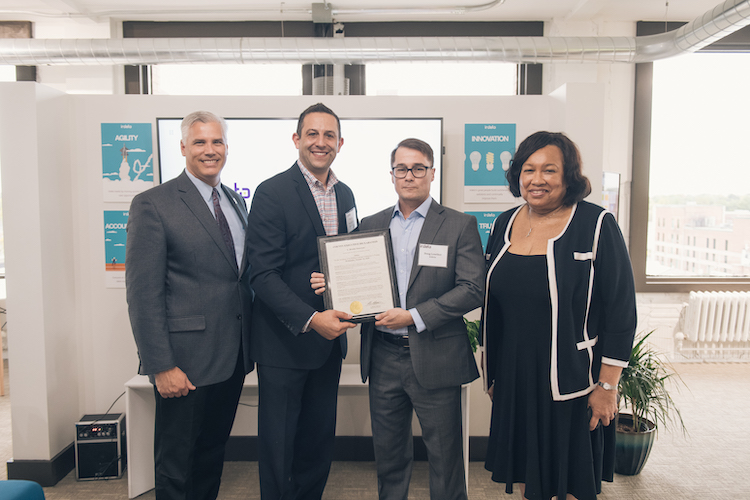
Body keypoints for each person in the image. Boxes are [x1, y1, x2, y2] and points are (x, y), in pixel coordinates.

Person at [313, 138, 485, 500]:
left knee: (445, 457)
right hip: (385, 358)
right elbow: (355, 281)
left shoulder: (459, 225)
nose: (410, 176)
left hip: (435, 356)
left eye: (418, 168)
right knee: (389, 457)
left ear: (432, 173)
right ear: (391, 175)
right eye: (402, 169)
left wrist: (414, 316)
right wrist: (331, 286)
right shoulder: (371, 224)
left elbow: (472, 288)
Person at [481, 131, 637, 500]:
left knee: (569, 484)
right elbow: (494, 305)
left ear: (568, 176)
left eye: (549, 170)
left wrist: (607, 386)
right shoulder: (504, 223)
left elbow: (621, 310)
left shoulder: (595, 224)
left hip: (573, 381)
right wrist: (494, 373)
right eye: (528, 170)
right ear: (517, 175)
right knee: (527, 478)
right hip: (516, 377)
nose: (537, 179)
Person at [126, 110, 253, 500]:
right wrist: (161, 366)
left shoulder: (234, 200)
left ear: (226, 148)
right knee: (176, 466)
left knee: (212, 455)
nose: (209, 150)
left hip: (231, 358)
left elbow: (237, 277)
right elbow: (142, 293)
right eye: (200, 142)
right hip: (184, 363)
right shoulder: (153, 204)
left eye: (217, 142)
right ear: (183, 147)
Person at [246, 103, 358, 500]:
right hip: (285, 343)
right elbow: (262, 275)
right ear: (297, 139)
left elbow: (347, 258)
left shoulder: (345, 194)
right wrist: (312, 318)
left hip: (328, 348)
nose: (320, 142)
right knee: (279, 447)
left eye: (329, 135)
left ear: (340, 143)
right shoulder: (272, 192)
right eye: (312, 134)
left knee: (317, 443)